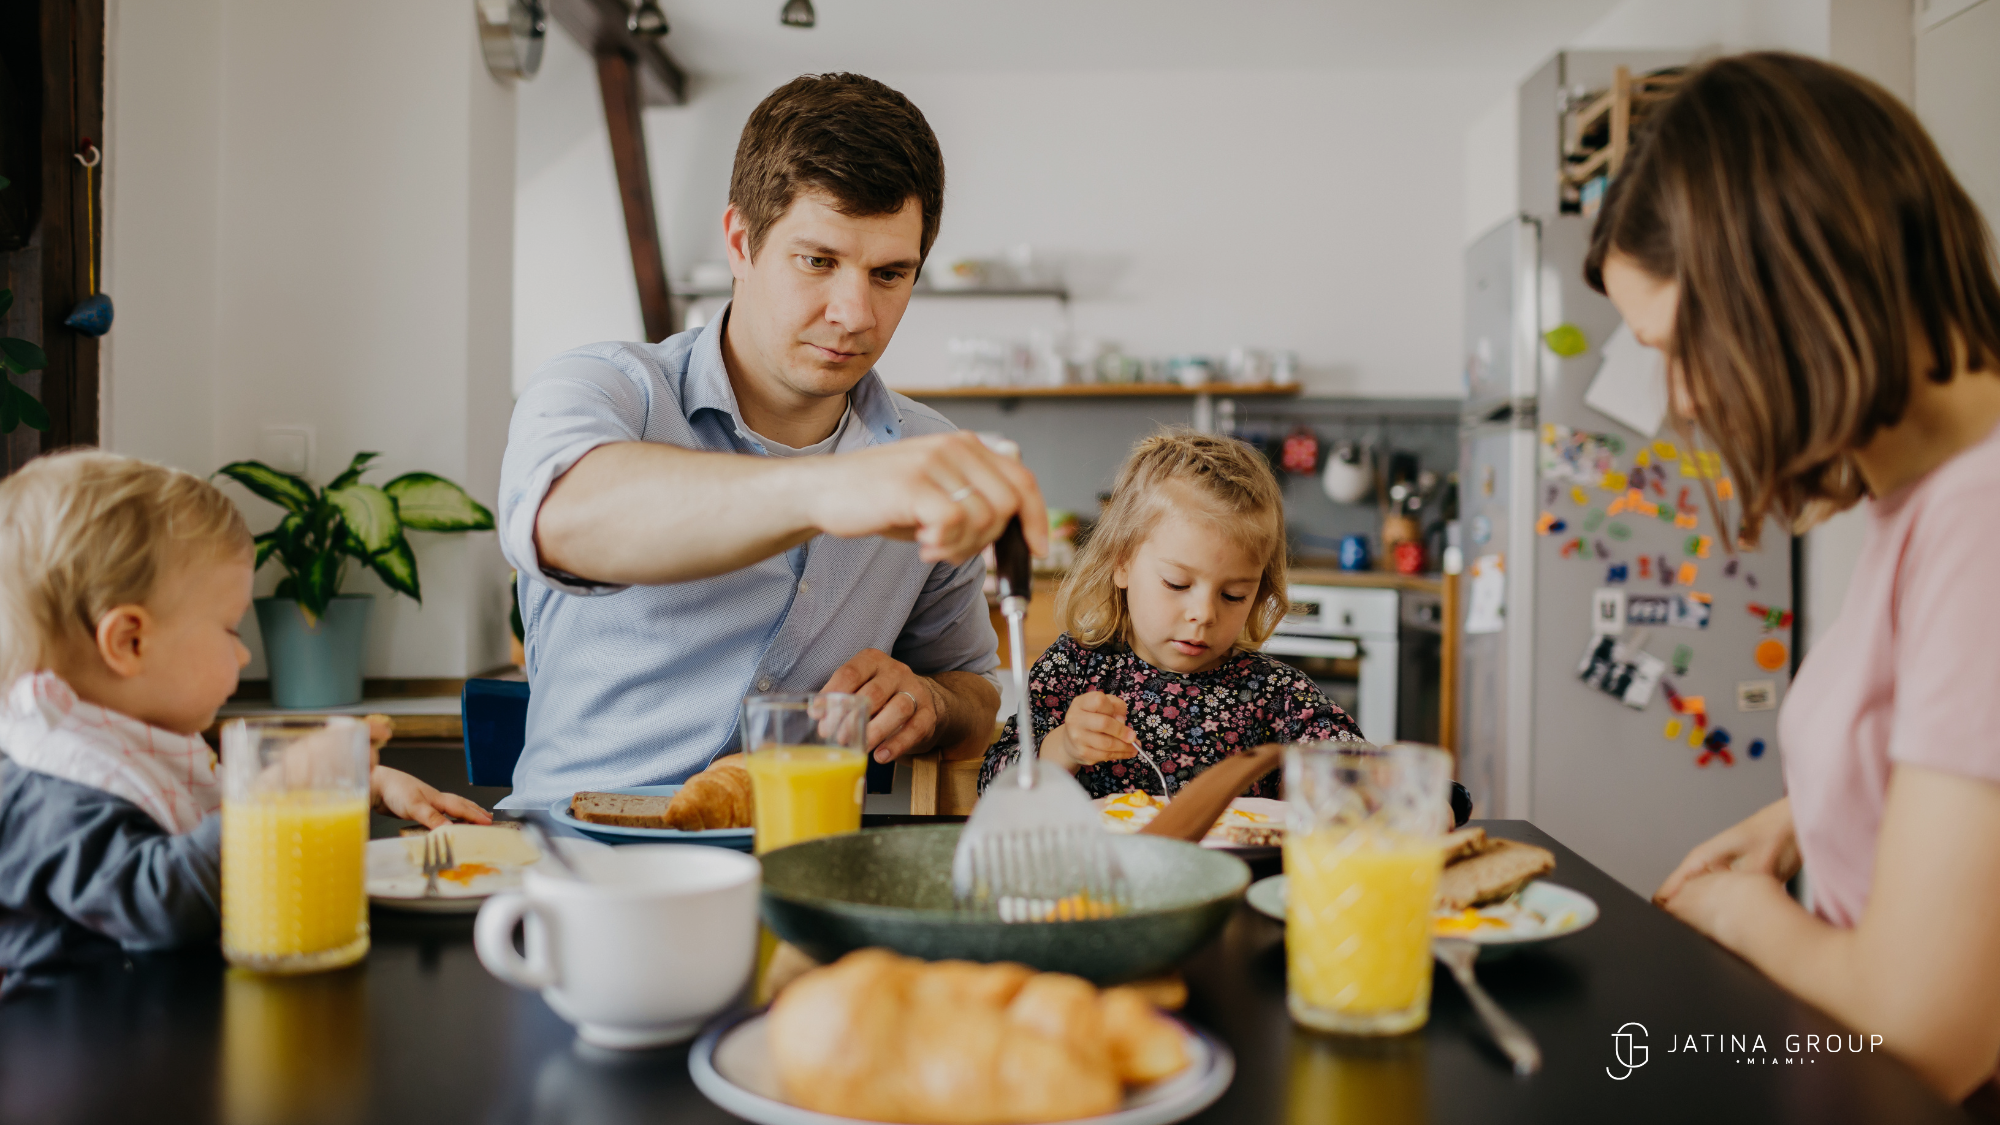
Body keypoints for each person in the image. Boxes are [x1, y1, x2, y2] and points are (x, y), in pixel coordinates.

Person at [1589, 54, 2000, 1105]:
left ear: (1783, 282)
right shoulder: (1921, 498)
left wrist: (1738, 914)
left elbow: (1920, 1031)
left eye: (1675, 345)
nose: (1679, 401)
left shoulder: (1980, 517)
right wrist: (1798, 815)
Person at [499, 73, 1044, 810]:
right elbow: (563, 519)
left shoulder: (924, 451)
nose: (855, 313)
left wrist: (930, 702)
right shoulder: (605, 389)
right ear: (740, 242)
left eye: (889, 274)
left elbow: (974, 690)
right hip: (581, 855)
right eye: (818, 261)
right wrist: (832, 488)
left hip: (806, 858)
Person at [0, 451, 488, 992]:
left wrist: (361, 782)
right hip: (86, 1036)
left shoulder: (132, 745)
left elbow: (214, 824)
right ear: (129, 641)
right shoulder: (45, 786)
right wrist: (284, 789)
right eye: (230, 629)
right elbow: (163, 903)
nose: (245, 654)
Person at [976, 431, 1363, 800]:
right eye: (1177, 584)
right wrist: (1063, 748)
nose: (1203, 614)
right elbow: (994, 784)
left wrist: (1331, 782)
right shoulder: (1074, 668)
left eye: (1233, 595)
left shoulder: (1270, 690)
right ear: (1122, 562)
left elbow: (1355, 766)